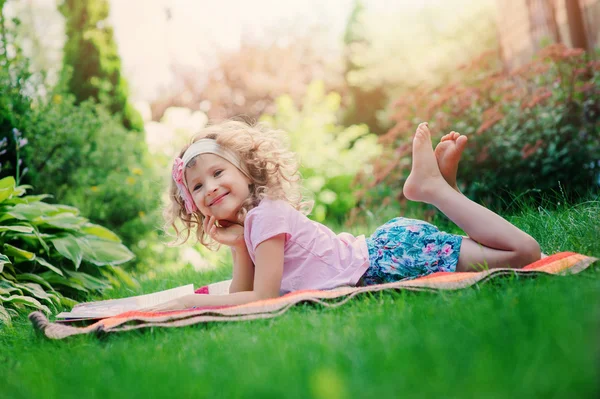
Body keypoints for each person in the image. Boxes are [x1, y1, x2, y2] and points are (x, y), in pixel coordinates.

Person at [144, 121, 541, 311]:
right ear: (190, 202)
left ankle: (433, 190)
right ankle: (444, 191)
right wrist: (236, 246)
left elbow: (260, 299)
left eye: (217, 173)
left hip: (388, 262)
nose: (209, 187)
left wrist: (186, 303)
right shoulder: (254, 223)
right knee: (507, 252)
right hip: (388, 253)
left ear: (246, 172)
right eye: (196, 186)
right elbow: (243, 294)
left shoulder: (266, 218)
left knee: (526, 253)